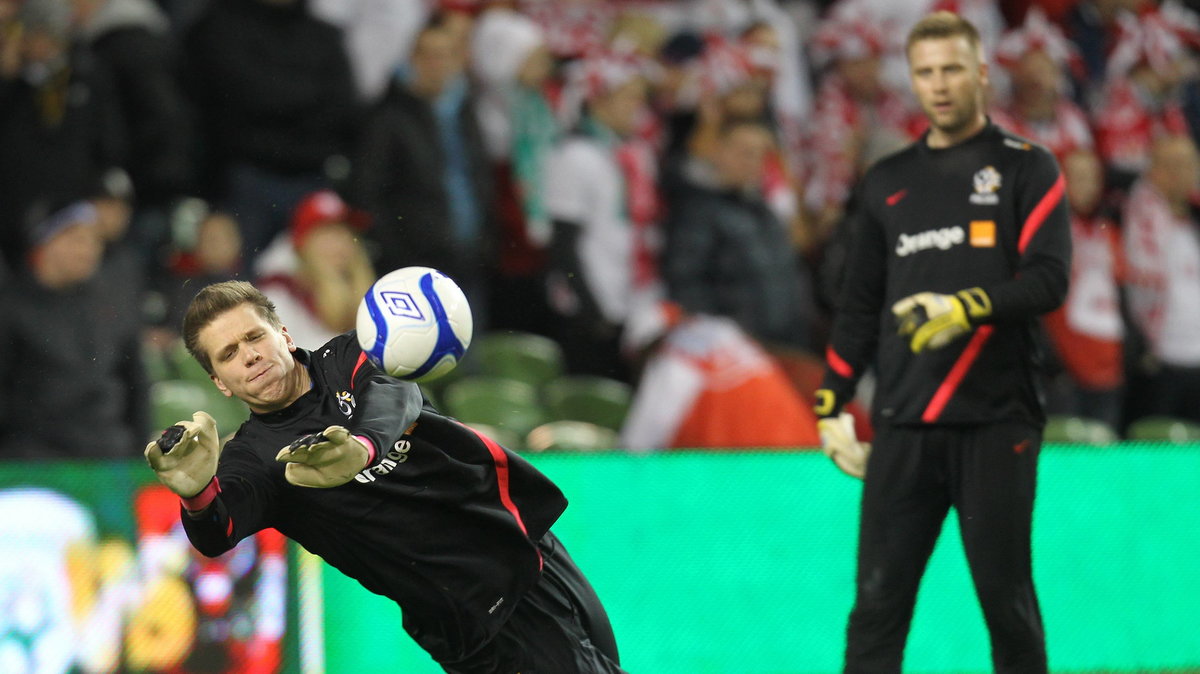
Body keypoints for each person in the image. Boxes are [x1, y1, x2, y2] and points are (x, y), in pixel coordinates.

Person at [142, 280, 625, 673]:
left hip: (528, 545)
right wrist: (197, 494)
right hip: (480, 614)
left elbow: (394, 396)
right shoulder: (253, 461)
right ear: (220, 383)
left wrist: (362, 449)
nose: (248, 355)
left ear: (284, 335)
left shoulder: (351, 355)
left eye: (254, 337)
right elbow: (218, 531)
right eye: (228, 354)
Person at [813, 12, 1070, 674]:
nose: (940, 85)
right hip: (903, 422)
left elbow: (1049, 279)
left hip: (996, 420)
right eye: (925, 73)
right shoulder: (886, 180)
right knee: (875, 609)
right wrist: (831, 402)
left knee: (1007, 605)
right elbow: (860, 304)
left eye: (953, 69)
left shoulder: (1027, 168)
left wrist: (966, 307)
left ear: (982, 73)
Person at [0, 197, 148, 457]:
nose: (88, 249)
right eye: (76, 239)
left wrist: (139, 451)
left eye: (94, 240)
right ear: (44, 244)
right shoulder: (11, 308)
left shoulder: (111, 306)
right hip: (34, 461)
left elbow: (136, 382)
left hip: (109, 454)